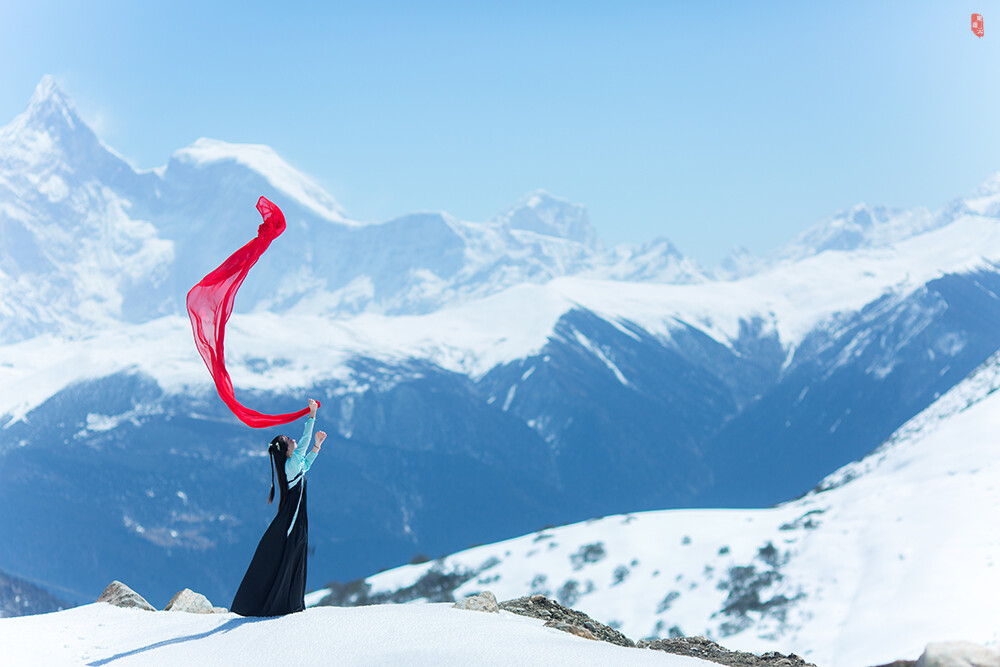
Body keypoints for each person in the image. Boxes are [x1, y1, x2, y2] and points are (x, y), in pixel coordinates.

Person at [231, 399, 327, 616]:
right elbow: (302, 443)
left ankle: (289, 602)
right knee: (293, 557)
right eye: (289, 441)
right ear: (286, 451)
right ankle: (287, 604)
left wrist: (317, 446)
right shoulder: (290, 465)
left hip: (297, 519)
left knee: (294, 557)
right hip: (295, 521)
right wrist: (312, 415)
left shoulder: (292, 466)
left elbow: (307, 465)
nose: (293, 440)